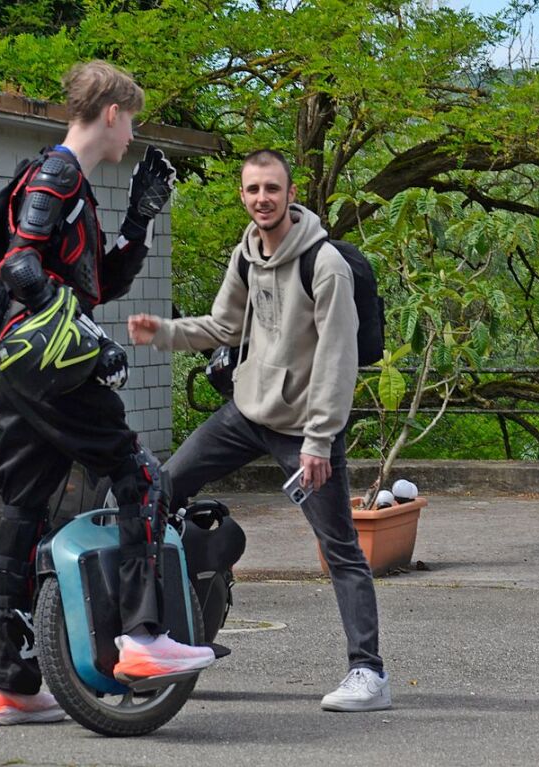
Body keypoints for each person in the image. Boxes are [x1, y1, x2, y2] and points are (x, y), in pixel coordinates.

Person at [0, 60, 215, 726]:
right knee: (141, 476)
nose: (131, 133)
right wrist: (84, 336)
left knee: (24, 508)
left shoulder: (75, 186)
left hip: (25, 368)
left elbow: (94, 284)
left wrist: (138, 222)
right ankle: (141, 638)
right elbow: (18, 264)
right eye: (130, 118)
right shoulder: (57, 174)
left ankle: (10, 684)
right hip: (52, 363)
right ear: (111, 112)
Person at [128, 149, 391, 712]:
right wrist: (164, 332)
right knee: (159, 490)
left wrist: (320, 441)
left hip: (303, 429)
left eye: (272, 188)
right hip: (246, 413)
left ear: (290, 193)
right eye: (252, 190)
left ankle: (368, 673)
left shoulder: (324, 265)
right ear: (243, 196)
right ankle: (158, 635)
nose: (262, 199)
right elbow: (224, 325)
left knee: (340, 547)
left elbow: (338, 362)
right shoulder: (246, 254)